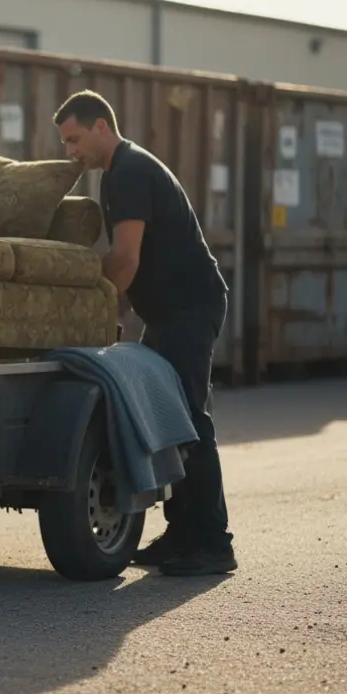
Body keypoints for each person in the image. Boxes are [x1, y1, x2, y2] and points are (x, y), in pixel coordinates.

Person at [53, 89, 236, 577]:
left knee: (191, 421)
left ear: (100, 127)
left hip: (190, 308)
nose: (70, 152)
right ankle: (182, 534)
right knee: (168, 417)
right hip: (168, 312)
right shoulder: (118, 173)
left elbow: (126, 259)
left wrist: (95, 305)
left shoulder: (130, 171)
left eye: (74, 139)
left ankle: (215, 544)